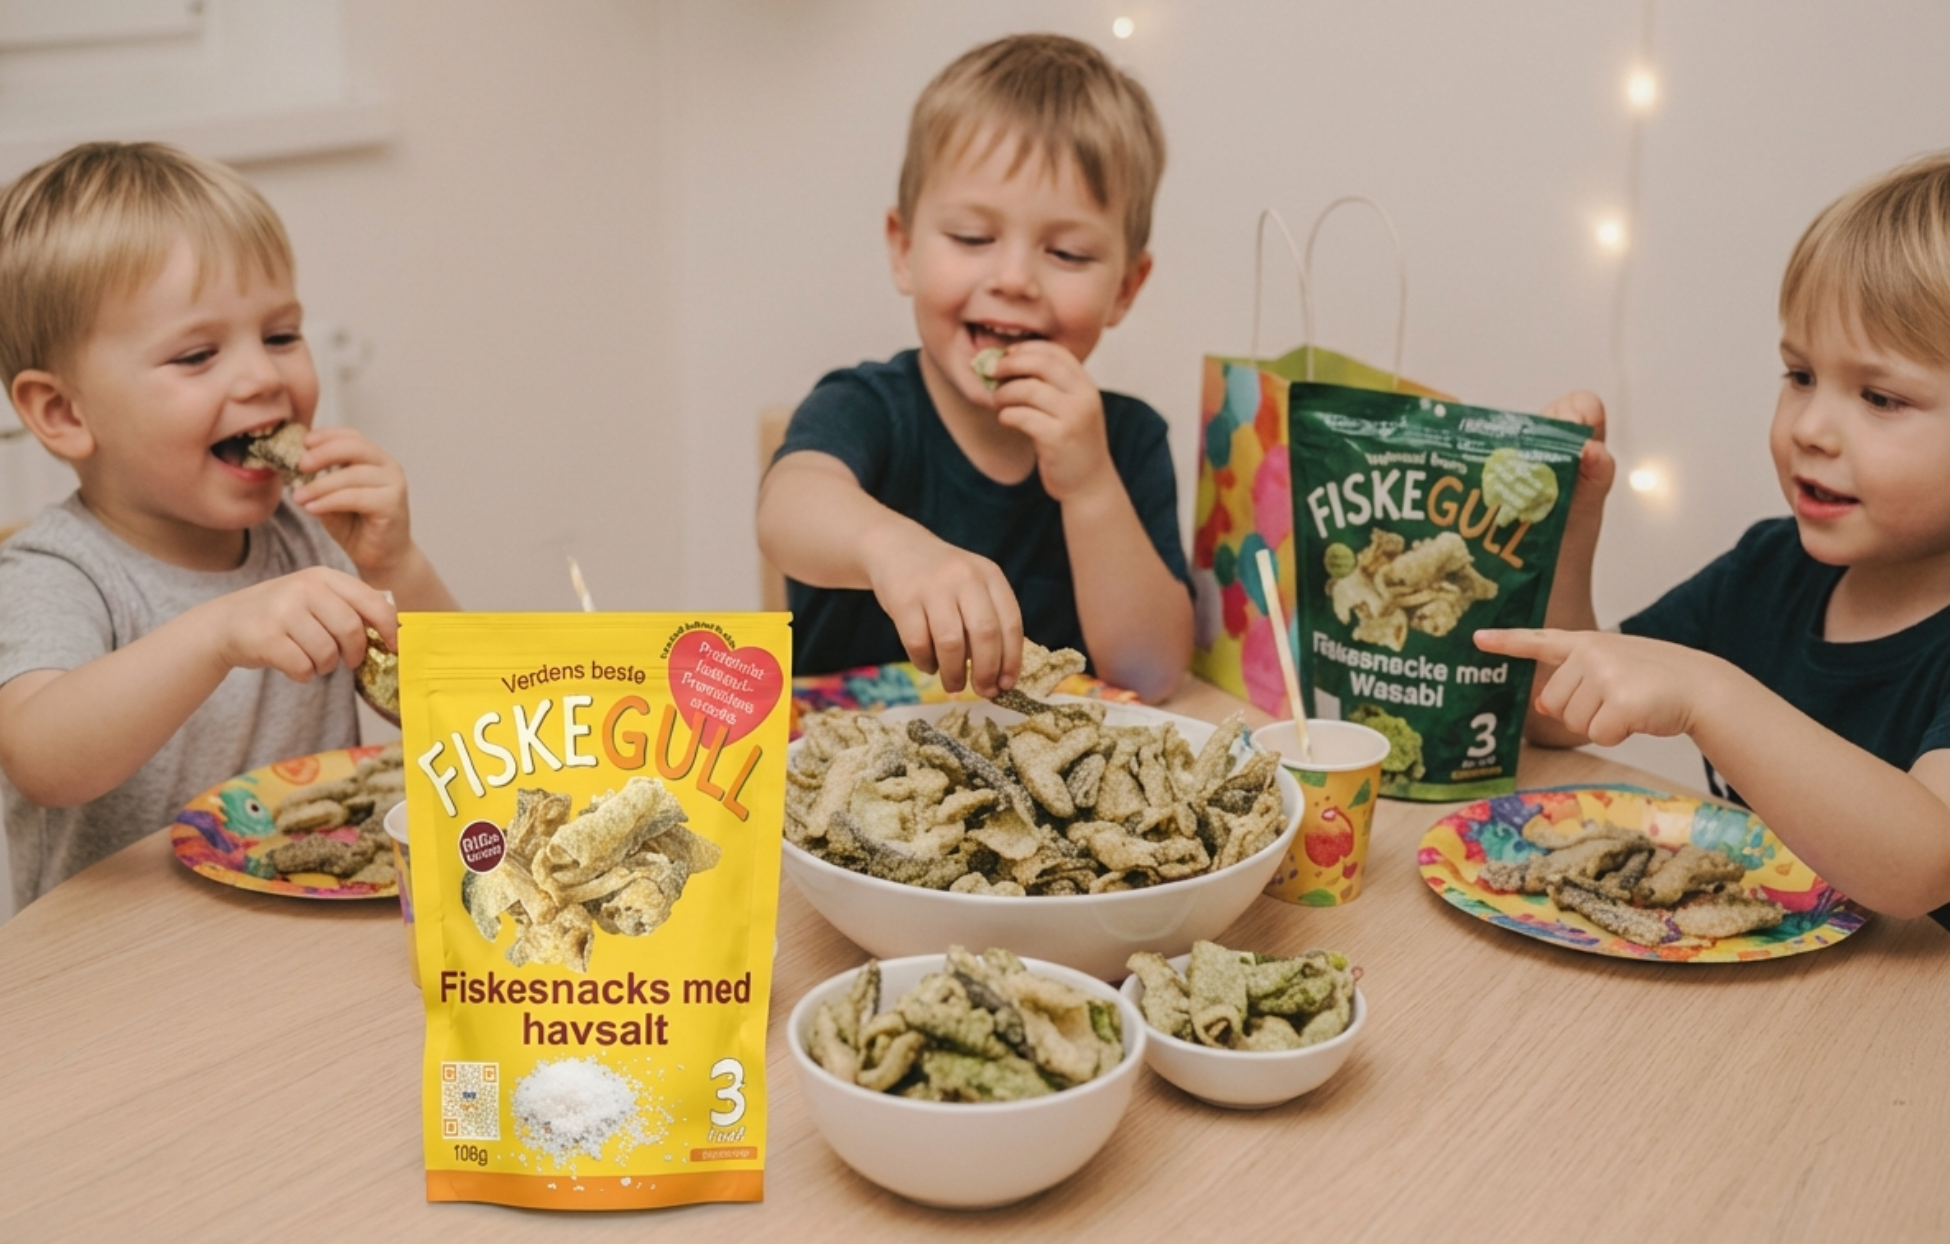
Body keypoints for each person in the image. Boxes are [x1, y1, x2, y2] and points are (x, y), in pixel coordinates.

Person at [1477, 152, 1950, 926]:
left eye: (1880, 397)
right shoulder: (1770, 567)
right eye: (1799, 376)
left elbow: (1923, 865)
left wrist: (1711, 694)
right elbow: (1557, 718)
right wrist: (1571, 531)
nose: (1811, 428)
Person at [0, 142, 457, 909]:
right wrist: (218, 632)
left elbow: (452, 714)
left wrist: (395, 566)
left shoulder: (305, 538)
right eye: (198, 354)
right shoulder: (58, 571)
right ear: (64, 413)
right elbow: (42, 758)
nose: (264, 377)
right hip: (112, 967)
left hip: (284, 929)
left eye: (281, 336)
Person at [756, 33, 1193, 703]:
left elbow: (1150, 675)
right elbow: (786, 510)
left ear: (1127, 288)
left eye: (1069, 253)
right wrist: (894, 548)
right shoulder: (869, 407)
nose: (1014, 279)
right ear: (904, 250)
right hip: (843, 776)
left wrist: (1090, 487)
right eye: (972, 238)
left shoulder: (1127, 442)